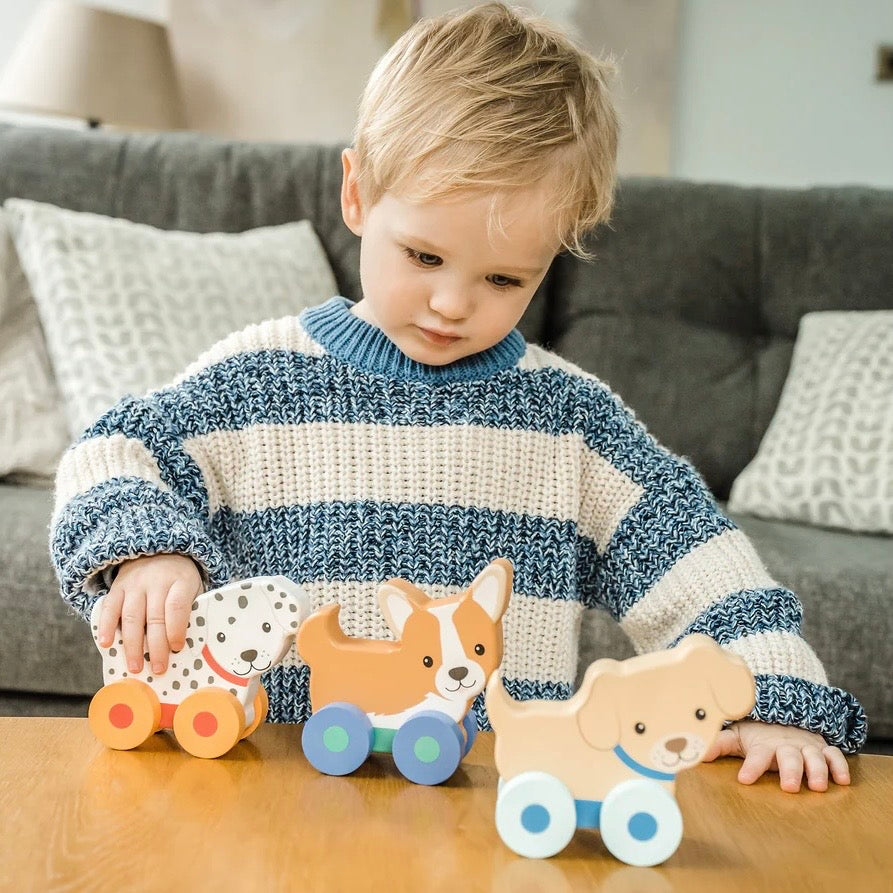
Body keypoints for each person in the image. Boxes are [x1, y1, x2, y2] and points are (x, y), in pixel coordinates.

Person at [50, 2, 865, 792]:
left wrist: (771, 696)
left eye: (504, 278)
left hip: (499, 802)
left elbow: (699, 562)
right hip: (276, 790)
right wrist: (148, 548)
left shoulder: (573, 425)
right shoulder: (256, 382)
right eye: (424, 256)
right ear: (357, 194)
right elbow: (111, 454)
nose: (451, 304)